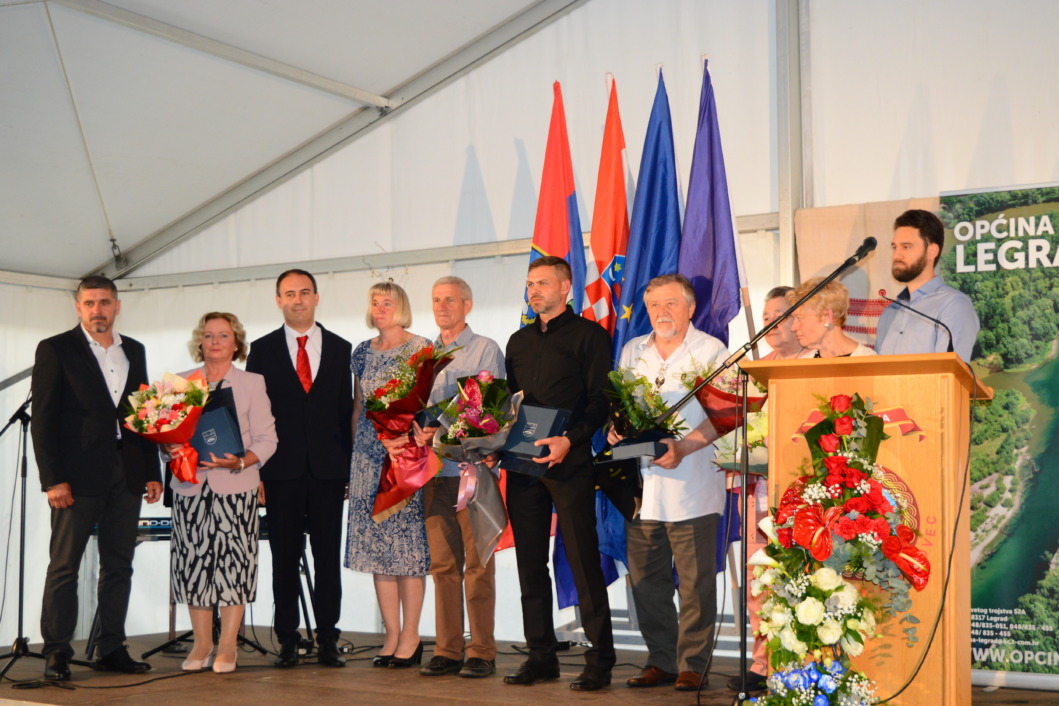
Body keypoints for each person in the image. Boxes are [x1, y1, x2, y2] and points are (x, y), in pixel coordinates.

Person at [31, 275, 162, 681]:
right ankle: (56, 651)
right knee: (65, 565)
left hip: (127, 473)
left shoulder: (134, 351)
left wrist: (151, 471)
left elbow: (143, 414)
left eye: (104, 302)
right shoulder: (56, 349)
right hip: (76, 476)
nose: (97, 310)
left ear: (117, 306)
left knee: (119, 564)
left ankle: (111, 647)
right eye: (89, 303)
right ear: (77, 307)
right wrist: (53, 479)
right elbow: (44, 419)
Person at [502, 256, 615, 691]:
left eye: (543, 283)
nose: (534, 291)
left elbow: (599, 400)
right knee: (530, 563)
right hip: (523, 464)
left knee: (584, 561)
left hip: (570, 461)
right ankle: (541, 656)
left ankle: (600, 660)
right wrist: (496, 443)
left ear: (566, 288)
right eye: (530, 284)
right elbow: (511, 405)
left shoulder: (590, 336)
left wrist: (571, 438)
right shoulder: (517, 341)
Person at [610, 274, 727, 693]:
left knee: (695, 583)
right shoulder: (631, 351)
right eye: (654, 304)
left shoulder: (712, 351)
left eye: (671, 304)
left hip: (692, 483)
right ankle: (660, 659)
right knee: (646, 581)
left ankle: (693, 663)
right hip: (641, 487)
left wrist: (684, 447)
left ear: (691, 309)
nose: (661, 312)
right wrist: (615, 430)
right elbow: (621, 407)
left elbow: (725, 418)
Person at [246, 269, 353, 668]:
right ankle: (287, 640)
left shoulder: (342, 349)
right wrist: (255, 472)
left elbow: (347, 411)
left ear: (316, 297)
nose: (297, 300)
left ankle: (328, 639)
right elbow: (253, 416)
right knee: (284, 558)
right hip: (280, 471)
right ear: (278, 300)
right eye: (289, 294)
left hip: (328, 472)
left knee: (327, 559)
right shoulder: (261, 349)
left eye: (304, 292)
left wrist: (347, 469)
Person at [166, 312, 277, 673]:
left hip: (236, 486)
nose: (215, 341)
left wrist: (242, 462)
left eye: (223, 335)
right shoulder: (179, 383)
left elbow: (268, 439)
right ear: (200, 341)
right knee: (194, 564)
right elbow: (164, 433)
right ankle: (201, 645)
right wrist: (168, 448)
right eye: (208, 335)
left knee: (234, 565)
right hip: (190, 487)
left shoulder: (252, 382)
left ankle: (228, 646)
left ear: (236, 343)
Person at [413, 277, 505, 679]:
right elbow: (411, 409)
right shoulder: (422, 355)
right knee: (442, 566)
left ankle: (482, 650)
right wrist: (415, 430)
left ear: (467, 304)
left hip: (473, 472)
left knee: (479, 565)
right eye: (436, 300)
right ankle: (448, 649)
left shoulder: (486, 348)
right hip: (434, 474)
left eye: (449, 299)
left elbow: (491, 413)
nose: (441, 306)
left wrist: (444, 431)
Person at [727, 286, 810, 693]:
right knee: (760, 579)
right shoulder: (753, 370)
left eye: (779, 313)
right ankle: (762, 665)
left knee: (798, 577)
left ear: (799, 320)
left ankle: (797, 662)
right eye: (766, 315)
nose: (770, 323)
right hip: (758, 489)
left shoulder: (814, 364)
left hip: (803, 493)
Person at [345, 281, 430, 669]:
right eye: (374, 302)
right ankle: (391, 635)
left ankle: (411, 636)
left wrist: (404, 442)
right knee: (379, 552)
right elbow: (358, 406)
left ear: (401, 307)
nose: (379, 308)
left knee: (407, 552)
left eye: (387, 303)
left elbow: (428, 408)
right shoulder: (361, 351)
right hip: (366, 457)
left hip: (404, 459)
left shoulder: (421, 348)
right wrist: (355, 456)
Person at [875, 209, 980, 360]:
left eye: (906, 247)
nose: (896, 255)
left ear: (932, 251)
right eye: (894, 247)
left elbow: (949, 374)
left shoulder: (953, 305)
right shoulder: (890, 312)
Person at [787, 278, 876, 358]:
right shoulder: (804, 364)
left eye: (799, 318)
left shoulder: (867, 361)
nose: (793, 327)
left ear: (827, 316)